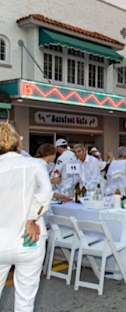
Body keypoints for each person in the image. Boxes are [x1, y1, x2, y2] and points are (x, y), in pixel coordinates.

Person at [0, 122, 53, 311]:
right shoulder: (34, 164)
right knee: (25, 301)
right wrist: (31, 218)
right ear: (17, 144)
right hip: (28, 238)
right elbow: (46, 191)